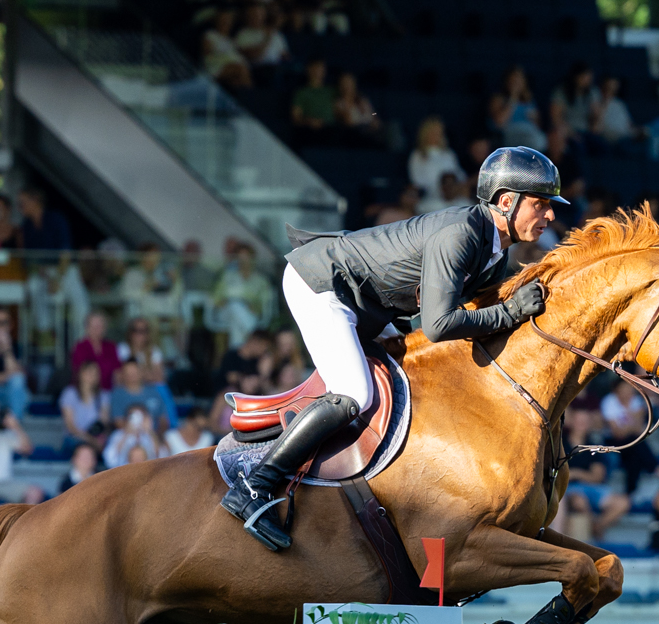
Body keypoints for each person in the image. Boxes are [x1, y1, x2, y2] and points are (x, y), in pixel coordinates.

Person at [230, 146, 564, 550]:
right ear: (506, 201)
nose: (549, 216)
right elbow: (440, 326)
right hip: (321, 284)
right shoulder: (462, 234)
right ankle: (254, 486)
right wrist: (511, 311)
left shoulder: (494, 253)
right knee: (355, 393)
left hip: (365, 304)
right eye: (541, 204)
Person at [558, 411, 628, 544]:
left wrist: (576, 473)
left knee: (623, 502)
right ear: (572, 422)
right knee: (580, 501)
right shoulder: (560, 444)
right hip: (569, 489)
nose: (582, 424)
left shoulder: (593, 446)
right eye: (579, 421)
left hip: (591, 488)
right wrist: (585, 475)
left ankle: (598, 526)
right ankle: (593, 535)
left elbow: (598, 476)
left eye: (585, 421)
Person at [214, 244, 275, 346]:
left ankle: (237, 353)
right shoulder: (227, 276)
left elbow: (265, 301)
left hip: (249, 313)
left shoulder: (260, 280)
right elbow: (215, 298)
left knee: (236, 324)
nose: (243, 260)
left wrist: (255, 306)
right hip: (225, 312)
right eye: (240, 257)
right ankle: (254, 334)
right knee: (235, 305)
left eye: (246, 257)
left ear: (252, 258)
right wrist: (223, 302)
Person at [110, 360, 177, 435]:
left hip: (154, 437)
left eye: (134, 371)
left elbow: (163, 419)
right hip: (127, 437)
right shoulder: (118, 394)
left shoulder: (153, 391)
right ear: (123, 374)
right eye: (128, 372)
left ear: (141, 372)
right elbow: (118, 422)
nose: (132, 375)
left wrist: (157, 437)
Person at [410, 118, 464, 210]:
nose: (436, 135)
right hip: (430, 199)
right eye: (433, 132)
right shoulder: (418, 155)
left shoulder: (449, 153)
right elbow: (416, 181)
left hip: (453, 198)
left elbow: (459, 175)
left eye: (439, 132)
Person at [291, 59, 337, 141]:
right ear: (308, 69)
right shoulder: (302, 93)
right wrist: (309, 122)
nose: (317, 71)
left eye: (320, 68)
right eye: (315, 68)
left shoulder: (332, 92)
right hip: (310, 133)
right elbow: (296, 118)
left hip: (332, 132)